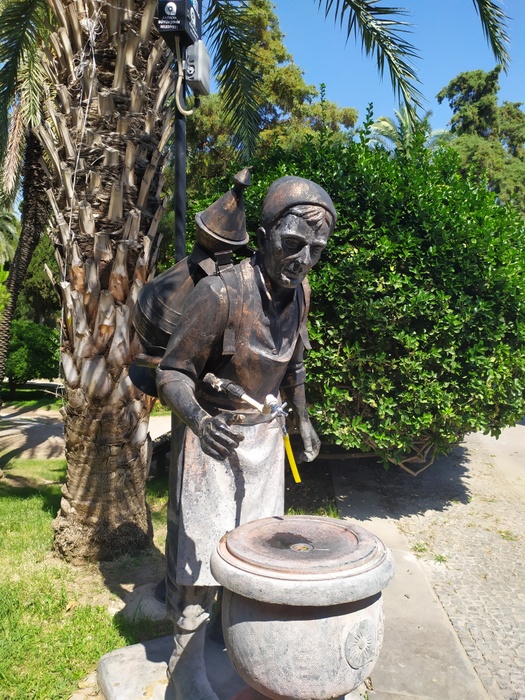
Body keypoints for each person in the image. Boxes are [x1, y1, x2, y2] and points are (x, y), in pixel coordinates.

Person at [156, 176, 336, 700]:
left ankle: (232, 640)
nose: (302, 261)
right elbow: (173, 372)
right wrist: (198, 419)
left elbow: (294, 361)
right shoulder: (219, 294)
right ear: (263, 236)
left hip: (264, 443)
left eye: (315, 250)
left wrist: (302, 418)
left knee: (254, 551)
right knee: (198, 559)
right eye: (293, 244)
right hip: (211, 441)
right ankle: (185, 668)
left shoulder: (300, 294)